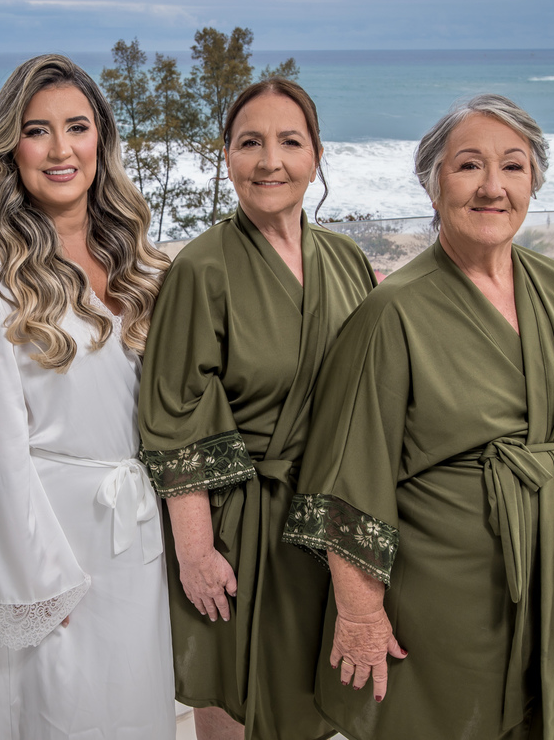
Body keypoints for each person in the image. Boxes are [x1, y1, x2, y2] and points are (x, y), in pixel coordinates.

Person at [284, 94, 554, 739]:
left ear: (533, 183)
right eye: (469, 165)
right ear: (433, 183)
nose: (492, 187)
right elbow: (349, 477)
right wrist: (360, 614)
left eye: (514, 167)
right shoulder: (391, 313)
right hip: (441, 597)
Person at [139, 79, 377, 740]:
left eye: (289, 142)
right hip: (239, 532)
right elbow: (174, 417)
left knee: (312, 705)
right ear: (227, 157)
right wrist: (195, 552)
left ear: (317, 156)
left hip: (329, 527)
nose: (270, 161)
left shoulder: (347, 260)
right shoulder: (201, 268)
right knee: (236, 705)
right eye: (250, 143)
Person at [0, 54, 175, 739]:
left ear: (101, 138)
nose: (59, 150)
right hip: (52, 554)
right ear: (10, 148)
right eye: (36, 130)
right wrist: (39, 586)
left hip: (137, 540)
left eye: (77, 127)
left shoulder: (141, 261)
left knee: (137, 716)